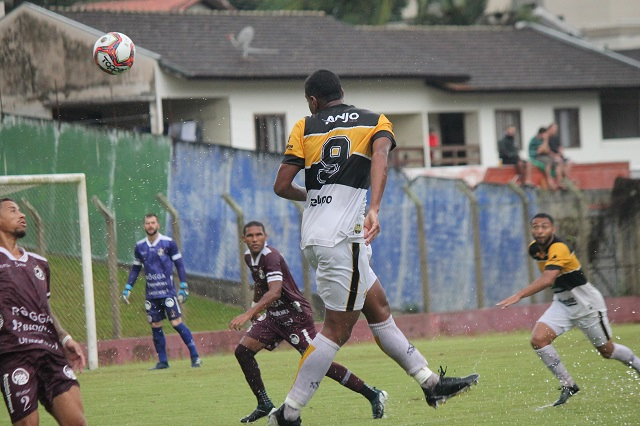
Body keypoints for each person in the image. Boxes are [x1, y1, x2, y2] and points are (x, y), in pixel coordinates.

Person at [270, 69, 479, 425]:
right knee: (336, 329)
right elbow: (381, 158)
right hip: (343, 239)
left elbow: (281, 185)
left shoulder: (304, 126)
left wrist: (318, 198)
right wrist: (375, 208)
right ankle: (288, 413)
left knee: (378, 305)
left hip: (318, 235)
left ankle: (430, 383)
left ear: (313, 101)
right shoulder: (374, 121)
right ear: (342, 92)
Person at [229, 221, 387, 423]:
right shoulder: (249, 257)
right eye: (250, 236)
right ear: (243, 239)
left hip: (295, 318)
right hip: (274, 318)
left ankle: (372, 394)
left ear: (265, 236)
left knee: (319, 363)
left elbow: (275, 291)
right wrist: (255, 313)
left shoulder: (272, 257)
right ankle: (264, 403)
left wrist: (248, 312)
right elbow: (261, 284)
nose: (254, 239)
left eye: (258, 235)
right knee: (243, 351)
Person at [497, 213, 640, 406]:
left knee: (607, 351)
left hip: (586, 305)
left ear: (553, 229)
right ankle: (568, 384)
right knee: (538, 339)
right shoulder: (534, 249)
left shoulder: (559, 247)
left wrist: (519, 295)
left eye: (544, 227)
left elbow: (548, 279)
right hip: (562, 303)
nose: (539, 231)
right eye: (535, 226)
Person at [0, 198, 87, 425]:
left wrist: (64, 337)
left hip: (50, 351)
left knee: (77, 422)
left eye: (21, 210)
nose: (22, 215)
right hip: (14, 354)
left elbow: (45, 308)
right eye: (13, 210)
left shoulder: (39, 263)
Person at [122, 213, 202, 370]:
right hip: (151, 294)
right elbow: (136, 269)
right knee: (155, 325)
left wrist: (184, 285)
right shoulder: (140, 247)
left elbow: (179, 265)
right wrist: (128, 287)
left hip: (167, 292)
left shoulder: (168, 243)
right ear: (144, 226)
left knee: (176, 323)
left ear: (158, 225)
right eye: (147, 223)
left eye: (153, 223)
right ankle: (163, 362)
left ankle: (195, 356)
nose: (150, 226)